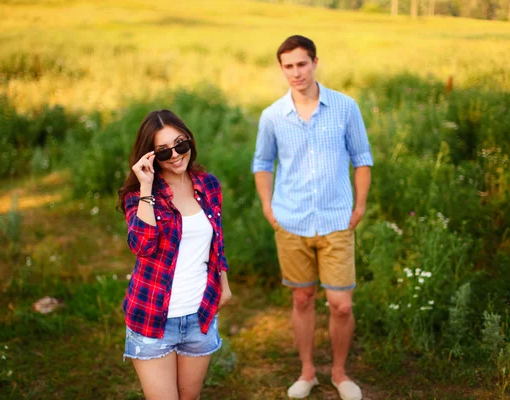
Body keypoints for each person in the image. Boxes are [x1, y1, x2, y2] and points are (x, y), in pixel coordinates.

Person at [252, 35, 373, 400]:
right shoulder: (273, 115)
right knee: (302, 299)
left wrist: (360, 205)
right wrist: (267, 207)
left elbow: (362, 157)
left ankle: (339, 373)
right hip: (291, 221)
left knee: (341, 304)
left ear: (315, 62)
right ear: (281, 69)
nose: (295, 73)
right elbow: (262, 162)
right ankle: (307, 372)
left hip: (337, 220)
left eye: (301, 64)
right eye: (288, 66)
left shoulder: (345, 107)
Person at [118, 109, 232, 400]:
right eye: (163, 150)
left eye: (180, 144)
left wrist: (224, 285)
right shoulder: (139, 196)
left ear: (189, 140)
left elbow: (216, 241)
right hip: (153, 317)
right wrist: (145, 187)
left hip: (200, 315)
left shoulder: (208, 184)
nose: (175, 155)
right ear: (150, 156)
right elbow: (143, 246)